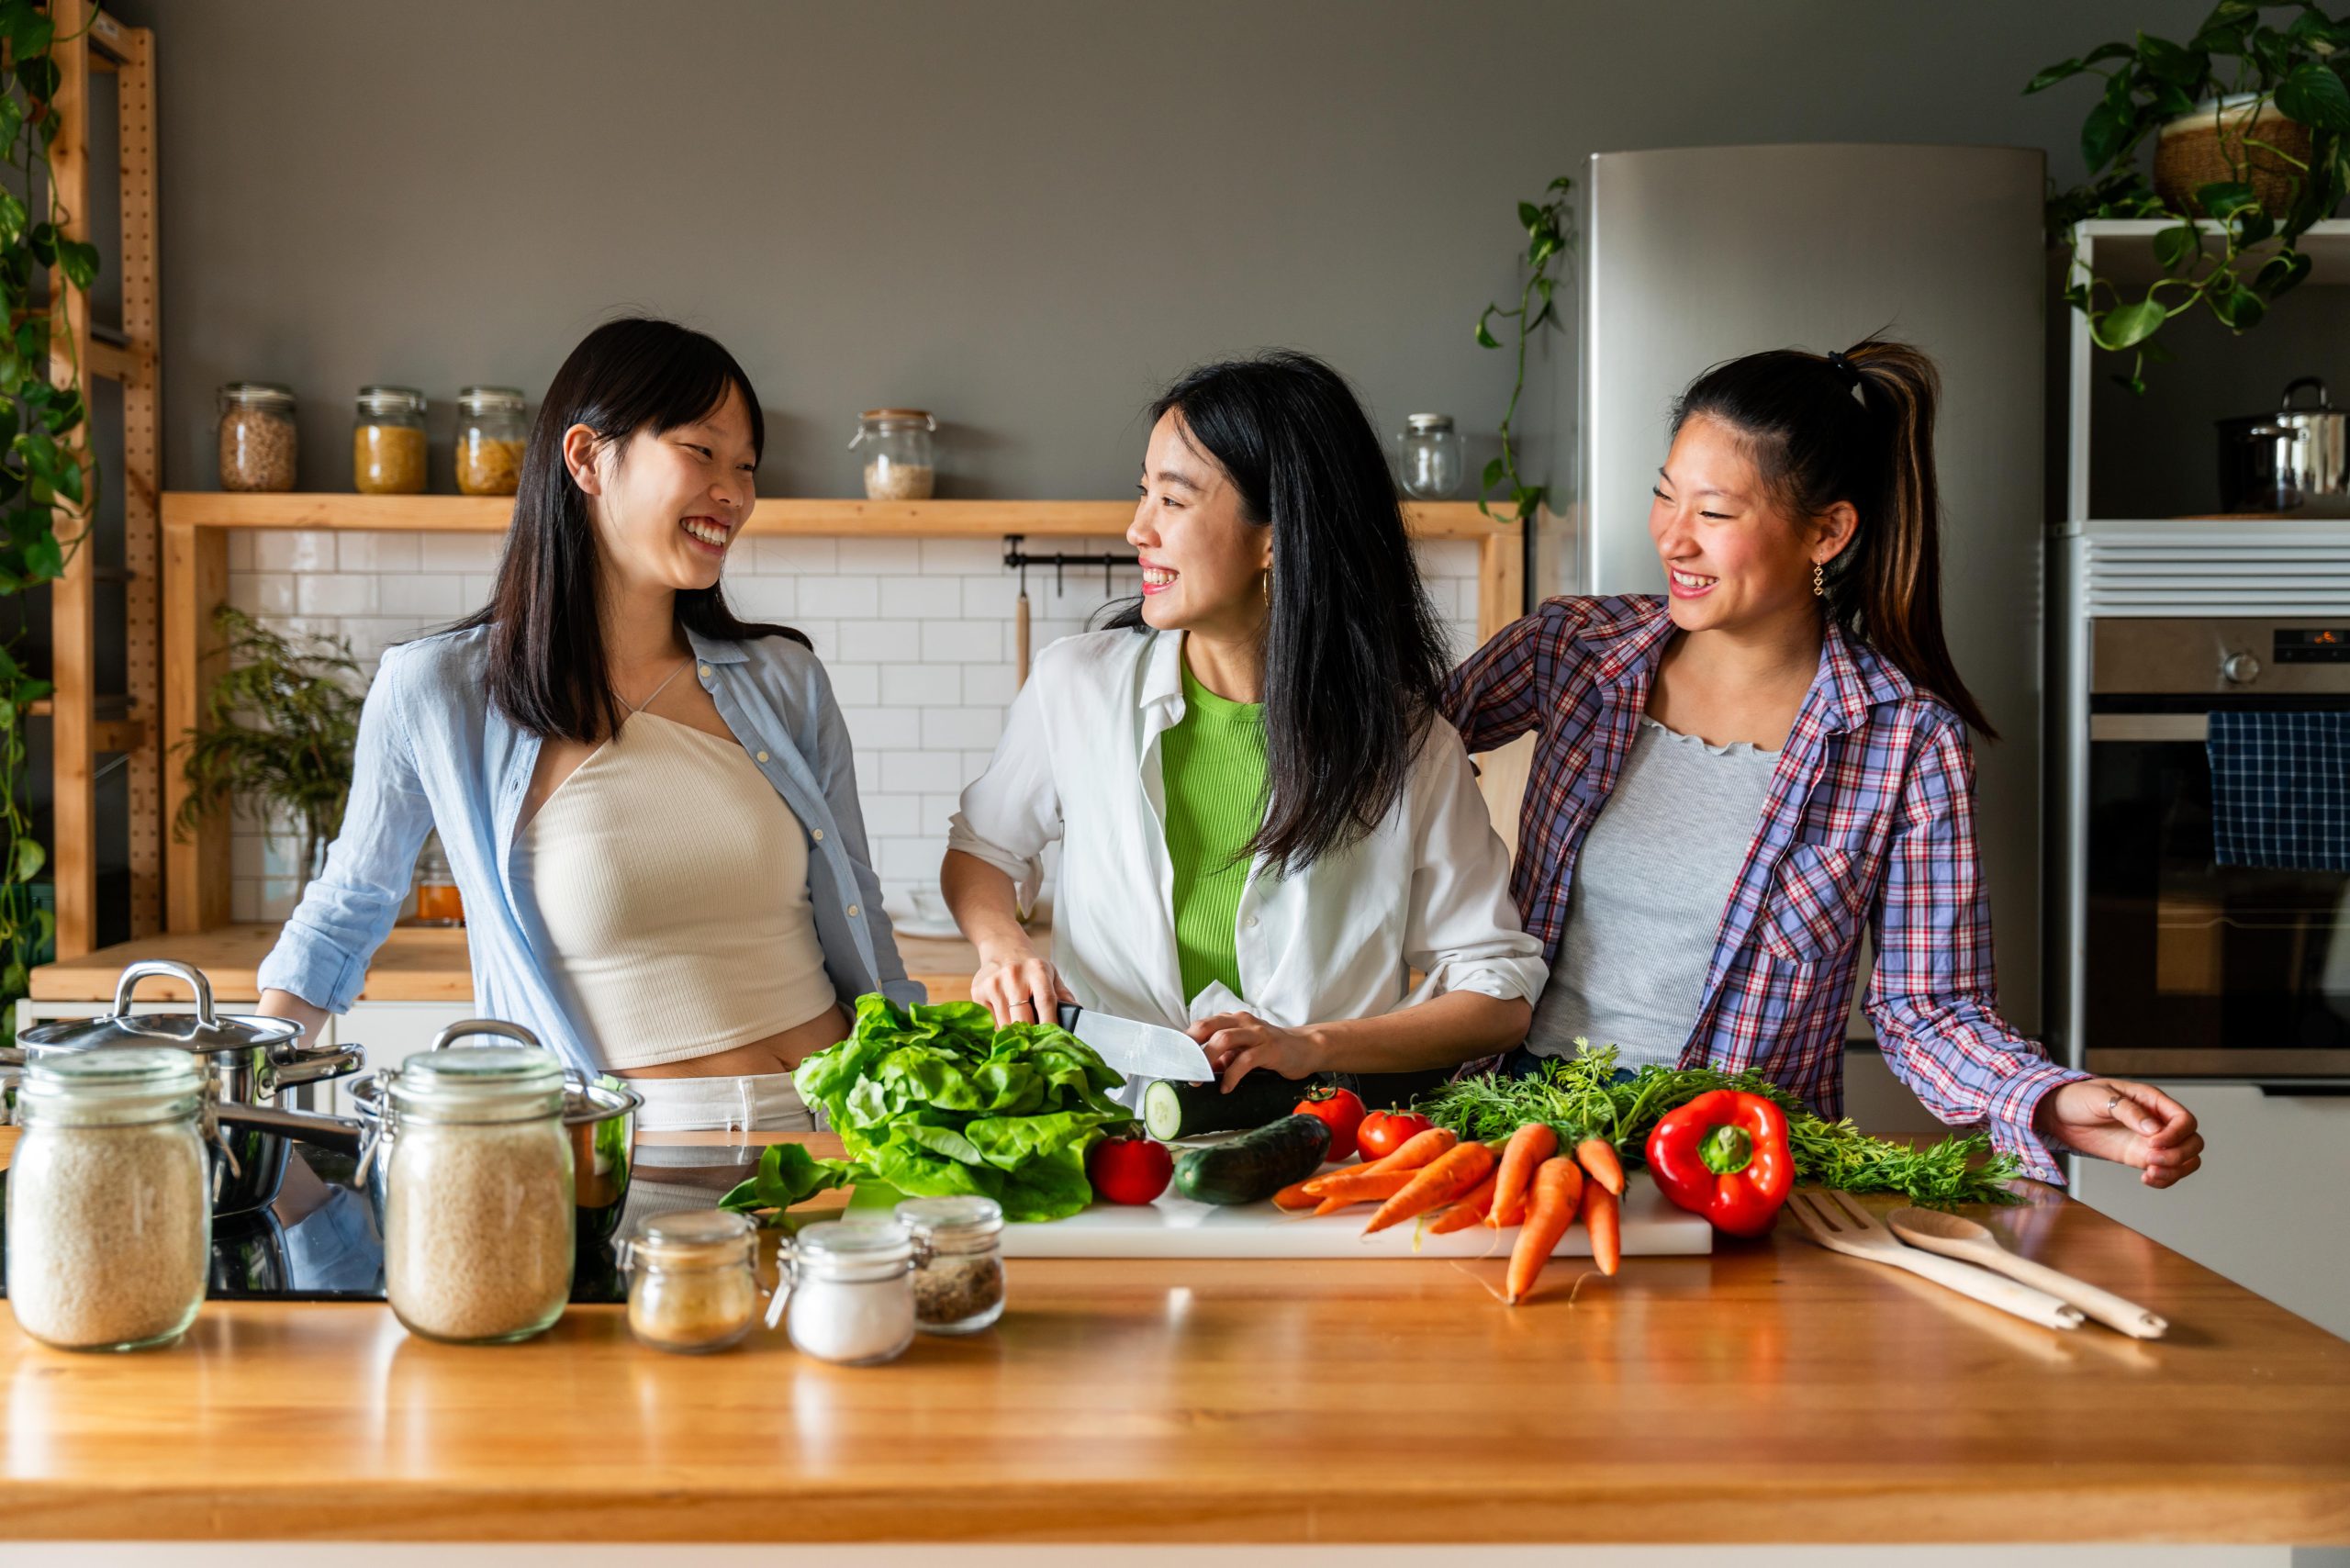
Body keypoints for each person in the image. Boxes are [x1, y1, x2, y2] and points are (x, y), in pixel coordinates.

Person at [1442, 340, 2201, 1188]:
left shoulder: (1906, 741)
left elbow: (1929, 1008)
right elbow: (1388, 758)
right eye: (1665, 496)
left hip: (1737, 1163)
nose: (1673, 538)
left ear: (1827, 532)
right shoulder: (1575, 651)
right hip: (1516, 1133)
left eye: (1716, 514)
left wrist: (2053, 1100)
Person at [254, 317, 916, 1139]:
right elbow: (348, 907)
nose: (734, 492)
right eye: (702, 452)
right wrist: (233, 1095)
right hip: (622, 1162)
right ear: (586, 458)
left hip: (837, 1136)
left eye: (747, 466)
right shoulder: (440, 691)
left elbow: (862, 913)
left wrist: (919, 1096)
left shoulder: (785, 682)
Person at [943, 351, 1544, 1095]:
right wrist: (1002, 949)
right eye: (1143, 494)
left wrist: (1310, 1044)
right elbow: (982, 850)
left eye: (1174, 500)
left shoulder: (1408, 746)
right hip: (1110, 1142)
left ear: (1277, 537)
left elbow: (1500, 995)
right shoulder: (1078, 687)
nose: (1138, 528)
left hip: (1324, 1155)